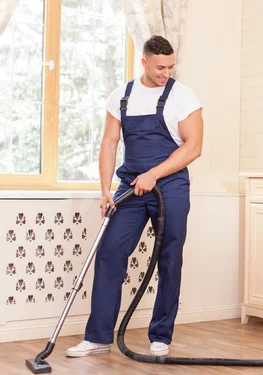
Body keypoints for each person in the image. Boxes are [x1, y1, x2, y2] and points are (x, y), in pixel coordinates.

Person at [65, 35, 203, 357]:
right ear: (144, 62)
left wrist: (154, 174)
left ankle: (161, 336)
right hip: (130, 185)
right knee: (110, 252)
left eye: (170, 67)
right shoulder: (122, 96)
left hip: (169, 186)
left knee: (169, 258)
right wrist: (105, 190)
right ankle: (98, 337)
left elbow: (193, 147)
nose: (165, 72)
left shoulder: (183, 97)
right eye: (159, 67)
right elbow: (110, 143)